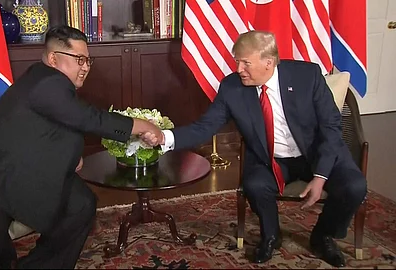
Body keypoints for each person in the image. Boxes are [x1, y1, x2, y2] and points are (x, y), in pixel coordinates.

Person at [142, 30, 366, 267]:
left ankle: (323, 235)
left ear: (268, 62)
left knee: (354, 186)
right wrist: (163, 137)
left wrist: (320, 177)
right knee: (255, 184)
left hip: (317, 152)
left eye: (245, 62)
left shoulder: (307, 76)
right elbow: (204, 127)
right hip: (271, 158)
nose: (239, 69)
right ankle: (271, 235)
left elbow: (331, 126)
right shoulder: (232, 87)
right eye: (237, 61)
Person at [0, 25, 163, 269]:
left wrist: (72, 155)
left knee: (81, 205)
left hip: (26, 171)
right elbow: (89, 118)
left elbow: (56, 124)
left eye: (88, 60)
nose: (85, 67)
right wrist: (142, 125)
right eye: (79, 59)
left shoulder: (45, 80)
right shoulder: (48, 81)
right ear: (54, 58)